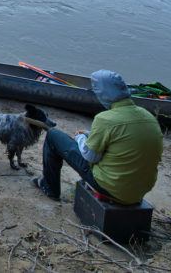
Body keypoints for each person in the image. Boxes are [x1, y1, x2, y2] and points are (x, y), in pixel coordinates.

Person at [32, 70, 163, 204]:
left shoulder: (105, 119)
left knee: (53, 135)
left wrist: (80, 137)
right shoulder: (149, 117)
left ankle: (49, 188)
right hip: (139, 192)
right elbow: (121, 139)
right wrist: (90, 134)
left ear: (103, 94)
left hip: (110, 188)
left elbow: (90, 156)